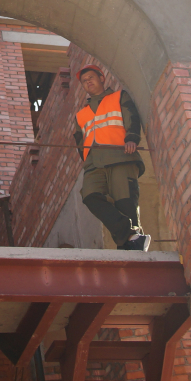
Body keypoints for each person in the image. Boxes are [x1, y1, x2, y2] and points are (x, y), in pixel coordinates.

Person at [72, 65, 149, 251]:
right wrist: (85, 156)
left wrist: (132, 138)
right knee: (90, 196)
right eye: (84, 81)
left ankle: (130, 244)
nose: (88, 81)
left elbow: (132, 117)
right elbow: (79, 139)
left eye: (91, 77)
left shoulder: (118, 97)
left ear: (101, 78)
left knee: (125, 201)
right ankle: (130, 235)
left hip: (120, 155)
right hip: (94, 163)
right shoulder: (81, 114)